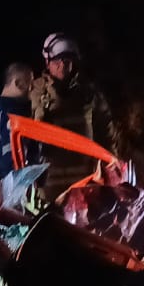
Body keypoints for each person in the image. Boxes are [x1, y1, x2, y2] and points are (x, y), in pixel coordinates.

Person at [29, 33, 116, 200]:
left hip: (85, 187)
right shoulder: (34, 93)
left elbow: (106, 133)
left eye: (67, 60)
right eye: (57, 61)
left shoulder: (89, 94)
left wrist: (111, 172)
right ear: (47, 62)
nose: (62, 65)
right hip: (48, 190)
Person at [0, 63, 36, 182]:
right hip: (13, 181)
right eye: (29, 83)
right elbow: (11, 151)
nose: (32, 88)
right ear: (17, 83)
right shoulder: (12, 111)